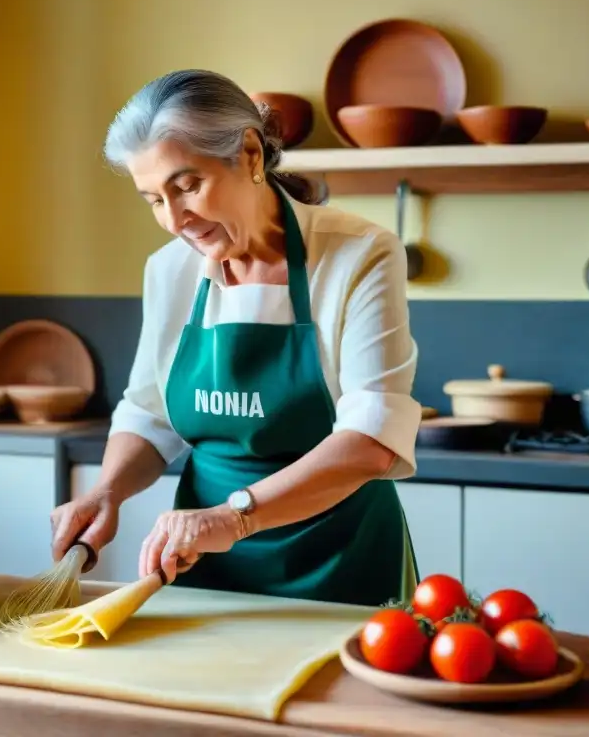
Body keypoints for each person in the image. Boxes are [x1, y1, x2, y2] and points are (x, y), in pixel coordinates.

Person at [49, 69, 422, 606]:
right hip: (204, 563)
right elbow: (150, 414)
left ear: (249, 154)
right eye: (154, 199)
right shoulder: (169, 270)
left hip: (340, 561)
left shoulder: (359, 255)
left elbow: (372, 442)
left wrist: (235, 516)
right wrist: (108, 491)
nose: (176, 219)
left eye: (187, 186)